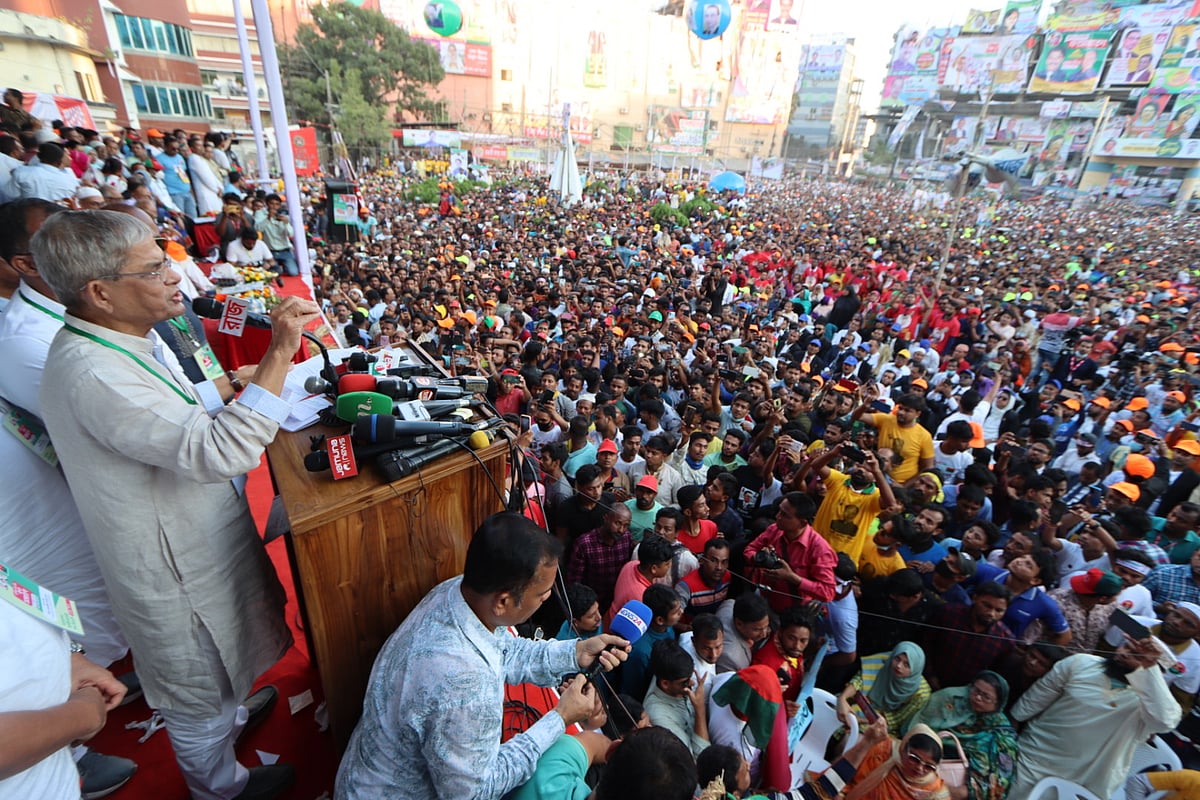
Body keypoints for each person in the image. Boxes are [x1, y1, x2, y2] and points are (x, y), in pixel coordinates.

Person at [34, 210, 313, 800]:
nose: (173, 278)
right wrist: (280, 353)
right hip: (172, 565)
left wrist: (236, 384)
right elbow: (217, 448)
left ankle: (233, 714)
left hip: (195, 532)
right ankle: (222, 786)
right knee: (196, 689)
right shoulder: (92, 371)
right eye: (155, 267)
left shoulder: (118, 337)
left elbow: (173, 406)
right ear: (101, 292)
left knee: (223, 667)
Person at [336, 512, 629, 799]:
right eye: (542, 593)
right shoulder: (466, 686)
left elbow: (503, 649)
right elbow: (476, 792)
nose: (548, 598)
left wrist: (575, 652)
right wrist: (560, 717)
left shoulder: (457, 591)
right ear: (503, 601)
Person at [1008, 640, 1182, 798]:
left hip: (1086, 781)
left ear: (1155, 672)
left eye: (1138, 656)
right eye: (1126, 646)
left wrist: (1146, 670)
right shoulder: (1080, 663)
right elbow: (1032, 701)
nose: (1123, 654)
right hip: (1034, 760)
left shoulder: (1151, 703)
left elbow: (1165, 721)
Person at [911, 671, 1018, 800]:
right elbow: (919, 727)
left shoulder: (1001, 731)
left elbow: (1003, 775)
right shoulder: (952, 700)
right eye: (976, 691)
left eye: (986, 697)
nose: (978, 698)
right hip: (929, 763)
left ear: (998, 703)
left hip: (962, 784)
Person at [742, 492, 838, 612]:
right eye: (779, 511)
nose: (777, 516)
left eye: (784, 515)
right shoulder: (774, 529)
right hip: (765, 601)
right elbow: (749, 550)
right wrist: (760, 559)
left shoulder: (820, 550)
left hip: (795, 612)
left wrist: (792, 578)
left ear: (803, 522)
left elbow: (828, 592)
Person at [837, 642, 931, 734]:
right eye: (897, 659)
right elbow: (859, 680)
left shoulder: (921, 693)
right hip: (862, 705)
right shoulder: (885, 661)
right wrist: (843, 698)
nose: (899, 666)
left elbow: (896, 720)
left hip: (883, 724)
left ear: (916, 668)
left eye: (906, 664)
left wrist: (861, 720)